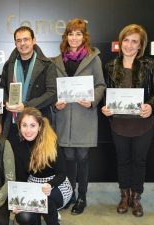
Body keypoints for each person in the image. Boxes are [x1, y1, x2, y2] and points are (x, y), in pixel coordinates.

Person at [101, 24, 154, 217]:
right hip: (119, 124)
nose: (129, 45)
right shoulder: (110, 66)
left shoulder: (149, 65)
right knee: (123, 161)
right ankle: (124, 196)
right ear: (121, 42)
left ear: (140, 45)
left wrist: (151, 106)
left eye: (134, 41)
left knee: (139, 162)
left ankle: (136, 198)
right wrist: (104, 106)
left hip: (143, 124)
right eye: (126, 40)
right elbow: (105, 93)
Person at [52, 18, 106, 215]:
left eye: (78, 34)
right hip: (64, 117)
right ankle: (70, 194)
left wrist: (92, 101)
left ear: (84, 37)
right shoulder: (56, 61)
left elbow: (100, 85)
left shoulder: (94, 58)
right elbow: (53, 90)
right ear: (66, 36)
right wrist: (56, 104)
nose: (74, 37)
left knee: (82, 157)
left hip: (85, 116)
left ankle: (82, 196)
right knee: (67, 157)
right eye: (71, 33)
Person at [0, 26, 57, 152]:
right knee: (14, 162)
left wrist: (26, 105)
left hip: (38, 123)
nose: (22, 43)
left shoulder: (48, 65)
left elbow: (52, 93)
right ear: (15, 43)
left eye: (26, 39)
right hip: (13, 123)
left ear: (33, 41)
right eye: (19, 40)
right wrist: (6, 101)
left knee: (38, 163)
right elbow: (2, 88)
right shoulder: (9, 65)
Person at [14, 107, 73, 225]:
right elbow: (21, 178)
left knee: (45, 199)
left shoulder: (51, 143)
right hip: (33, 185)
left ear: (39, 126)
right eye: (24, 125)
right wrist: (19, 202)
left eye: (32, 125)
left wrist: (50, 185)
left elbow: (62, 174)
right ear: (19, 127)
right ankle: (46, 213)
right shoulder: (19, 147)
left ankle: (52, 219)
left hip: (57, 185)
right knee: (23, 217)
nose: (28, 130)